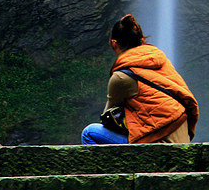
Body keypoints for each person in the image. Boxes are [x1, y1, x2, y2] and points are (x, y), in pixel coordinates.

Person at [81, 14, 199, 145]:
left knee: (89, 133)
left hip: (157, 144)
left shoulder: (121, 77)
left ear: (114, 43)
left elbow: (108, 119)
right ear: (142, 40)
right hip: (182, 141)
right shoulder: (164, 62)